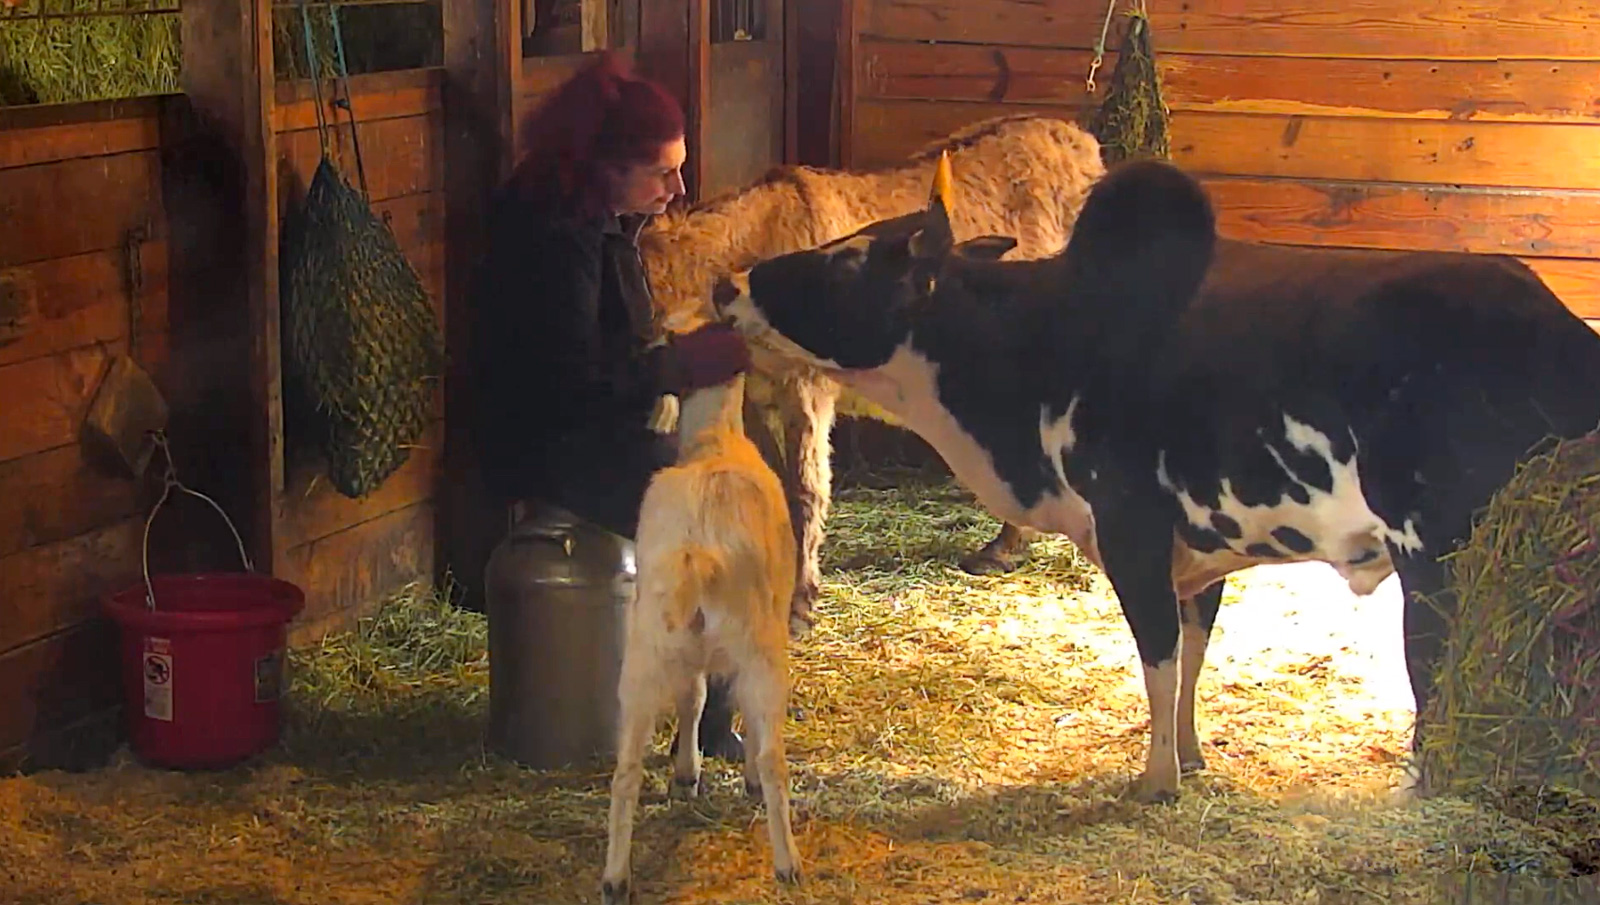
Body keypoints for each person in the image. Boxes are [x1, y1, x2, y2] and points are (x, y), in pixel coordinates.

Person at [467, 51, 751, 762]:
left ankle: (711, 715)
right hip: (547, 442)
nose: (678, 188)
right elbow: (569, 383)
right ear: (609, 165)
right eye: (663, 172)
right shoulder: (556, 237)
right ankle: (712, 730)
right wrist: (674, 366)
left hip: (584, 427)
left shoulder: (590, 217)